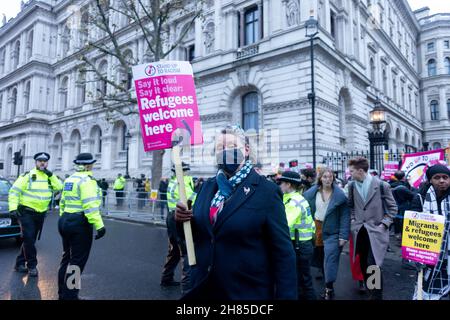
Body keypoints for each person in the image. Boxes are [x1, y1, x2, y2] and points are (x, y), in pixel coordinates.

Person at [175, 125, 297, 300]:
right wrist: (181, 220)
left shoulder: (266, 191)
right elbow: (197, 237)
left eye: (232, 146)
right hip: (204, 289)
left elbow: (283, 253)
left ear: (246, 150)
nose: (225, 151)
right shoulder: (206, 186)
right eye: (220, 148)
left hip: (245, 292)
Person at [347, 157, 397, 300]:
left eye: (351, 171)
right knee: (363, 263)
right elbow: (351, 206)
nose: (349, 173)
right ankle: (371, 292)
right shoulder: (351, 186)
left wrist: (384, 224)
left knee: (373, 265)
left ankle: (375, 296)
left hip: (376, 232)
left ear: (360, 171)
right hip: (359, 232)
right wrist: (352, 220)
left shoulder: (382, 185)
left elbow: (393, 208)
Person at [57, 153, 106, 300]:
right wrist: (100, 226)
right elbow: (90, 206)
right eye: (91, 164)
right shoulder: (87, 180)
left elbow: (63, 202)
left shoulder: (70, 179)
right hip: (79, 223)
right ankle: (70, 296)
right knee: (76, 262)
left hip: (65, 220)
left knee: (66, 258)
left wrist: (64, 218)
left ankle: (62, 293)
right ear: (88, 165)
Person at [9, 152, 63, 277]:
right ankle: (32, 266)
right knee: (29, 239)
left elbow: (59, 186)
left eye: (45, 161)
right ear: (36, 162)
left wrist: (51, 175)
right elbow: (14, 191)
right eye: (40, 161)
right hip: (26, 213)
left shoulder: (49, 177)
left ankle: (19, 263)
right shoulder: (27, 176)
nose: (42, 163)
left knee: (30, 240)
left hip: (40, 214)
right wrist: (13, 208)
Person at [304, 167, 350, 300]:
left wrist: (343, 235)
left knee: (330, 259)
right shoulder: (311, 194)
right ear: (320, 178)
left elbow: (345, 216)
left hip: (333, 231)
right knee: (319, 258)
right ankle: (325, 280)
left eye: (330, 177)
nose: (328, 179)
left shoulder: (340, 195)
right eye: (325, 177)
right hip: (316, 229)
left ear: (333, 179)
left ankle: (329, 288)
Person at [409, 164, 450, 300]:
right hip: (429, 254)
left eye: (445, 177)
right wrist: (415, 256)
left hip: (448, 253)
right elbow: (413, 229)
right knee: (427, 288)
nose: (442, 181)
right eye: (437, 177)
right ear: (430, 180)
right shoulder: (420, 198)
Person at [278, 171, 316, 300]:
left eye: (281, 183)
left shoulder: (294, 202)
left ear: (288, 184)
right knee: (301, 279)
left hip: (300, 245)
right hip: (303, 244)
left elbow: (285, 225)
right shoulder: (292, 198)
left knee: (304, 281)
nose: (280, 186)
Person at [160, 162, 196, 293]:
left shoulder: (173, 182)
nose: (188, 173)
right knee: (186, 250)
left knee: (174, 250)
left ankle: (166, 278)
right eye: (186, 170)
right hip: (179, 219)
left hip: (171, 217)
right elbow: (194, 200)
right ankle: (187, 286)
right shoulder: (183, 183)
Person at [389, 171, 416, 240]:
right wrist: (412, 186)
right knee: (403, 224)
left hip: (393, 207)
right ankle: (402, 238)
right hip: (402, 208)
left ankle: (397, 234)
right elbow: (412, 196)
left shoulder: (389, 184)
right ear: (403, 177)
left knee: (397, 222)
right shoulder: (402, 187)